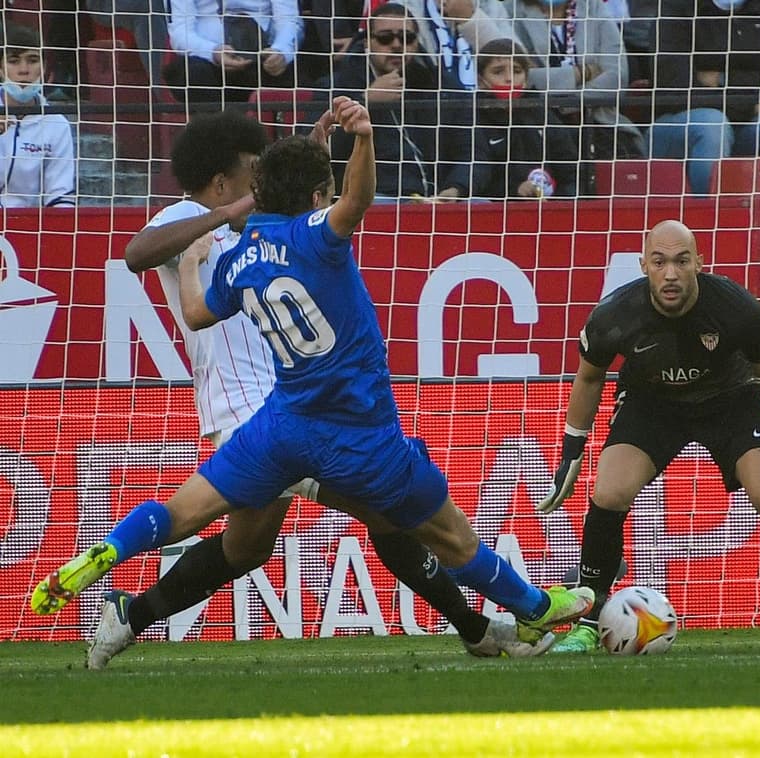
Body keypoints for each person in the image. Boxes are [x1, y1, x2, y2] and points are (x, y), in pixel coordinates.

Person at [30, 97, 594, 654]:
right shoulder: (239, 225)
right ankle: (519, 615)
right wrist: (364, 140)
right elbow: (346, 202)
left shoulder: (239, 256)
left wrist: (210, 254)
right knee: (418, 526)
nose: (256, 184)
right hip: (322, 421)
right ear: (224, 182)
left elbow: (203, 305)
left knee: (232, 541)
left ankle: (120, 583)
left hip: (279, 420)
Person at [539, 219, 760, 653]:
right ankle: (589, 620)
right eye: (659, 262)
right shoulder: (614, 316)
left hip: (731, 399)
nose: (670, 273)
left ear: (699, 263)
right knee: (608, 492)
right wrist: (571, 452)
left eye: (681, 261)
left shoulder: (736, 309)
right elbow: (589, 378)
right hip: (651, 404)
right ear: (643, 266)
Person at [648, 0, 760, 195]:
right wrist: (750, 106)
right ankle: (706, 216)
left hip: (745, 123)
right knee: (713, 124)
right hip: (678, 124)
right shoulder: (675, 7)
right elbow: (677, 89)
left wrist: (722, 79)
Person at [435, 39, 580, 199]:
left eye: (516, 71)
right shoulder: (471, 115)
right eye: (498, 72)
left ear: (525, 79)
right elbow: (476, 164)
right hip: (494, 208)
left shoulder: (542, 113)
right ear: (481, 80)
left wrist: (560, 202)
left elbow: (570, 168)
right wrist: (458, 188)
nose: (509, 79)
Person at [326, 3, 444, 200]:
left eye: (407, 38)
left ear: (417, 43)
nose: (397, 45)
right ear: (366, 43)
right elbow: (320, 151)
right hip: (369, 198)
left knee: (479, 203)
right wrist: (366, 102)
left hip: (436, 196)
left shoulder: (438, 82)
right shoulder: (337, 84)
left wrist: (457, 187)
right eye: (385, 38)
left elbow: (469, 146)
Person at [509, 0, 647, 160]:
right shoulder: (512, 12)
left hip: (599, 121)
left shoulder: (593, 7)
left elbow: (616, 78)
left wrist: (565, 99)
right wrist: (581, 73)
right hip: (539, 126)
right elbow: (522, 78)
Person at [163, 0, 302, 103]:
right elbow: (180, 32)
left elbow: (289, 20)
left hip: (262, 56)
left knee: (296, 76)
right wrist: (213, 52)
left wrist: (282, 52)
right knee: (191, 75)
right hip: (206, 60)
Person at [0, 24, 75, 209]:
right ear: (1, 69)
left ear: (44, 68)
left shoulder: (57, 124)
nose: (24, 70)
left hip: (30, 226)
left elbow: (61, 195)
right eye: (14, 61)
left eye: (32, 60)